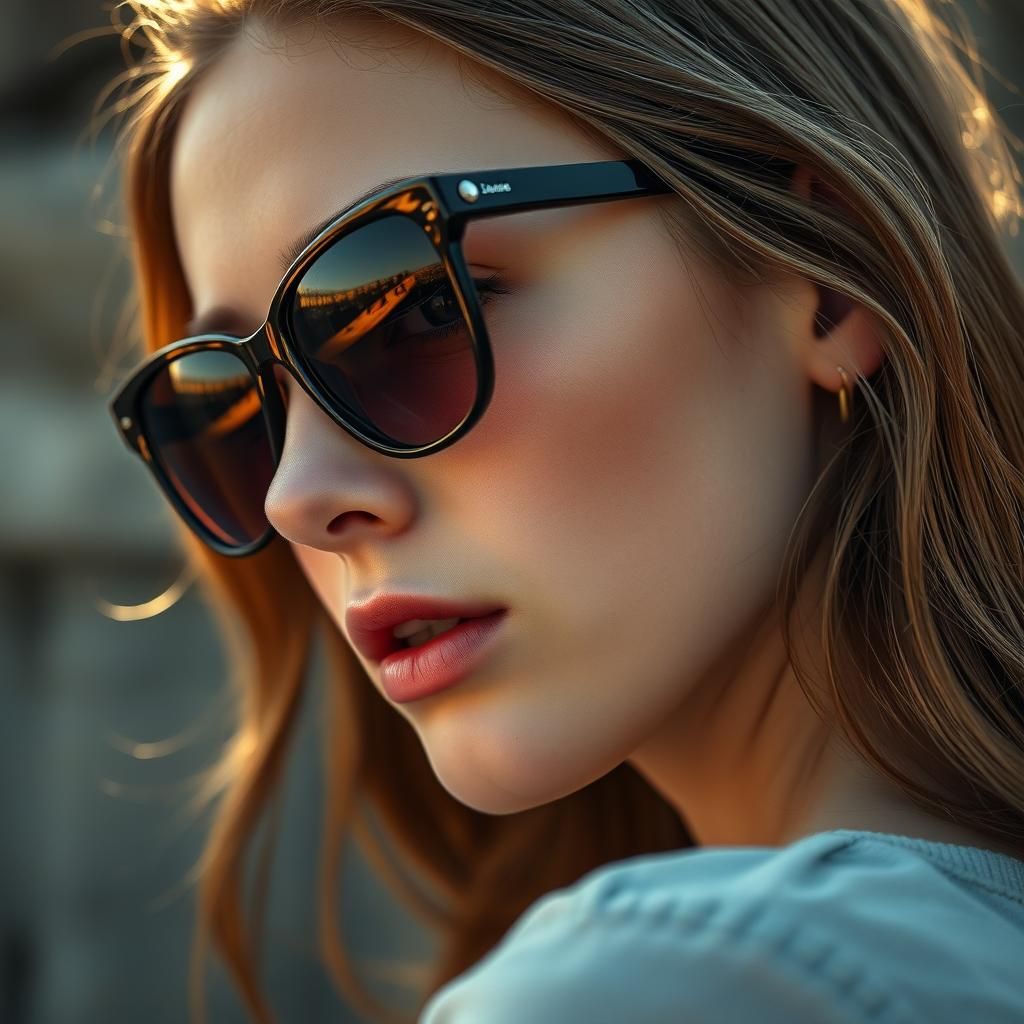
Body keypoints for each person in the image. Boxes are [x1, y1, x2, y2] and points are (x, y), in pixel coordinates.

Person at [99, 1, 1024, 1022]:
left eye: (421, 307)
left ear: (826, 276)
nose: (297, 496)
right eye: (230, 406)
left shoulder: (667, 986)